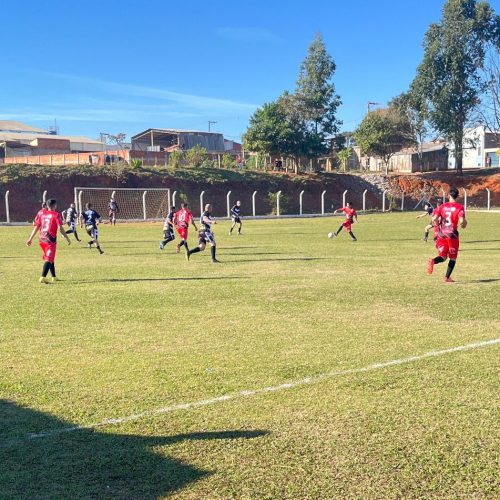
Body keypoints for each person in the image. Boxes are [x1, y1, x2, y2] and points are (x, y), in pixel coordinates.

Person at [427, 187, 467, 283]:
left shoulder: (442, 206)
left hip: (441, 234)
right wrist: (464, 223)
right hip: (452, 235)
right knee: (452, 258)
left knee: (443, 257)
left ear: (448, 195)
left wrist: (437, 224)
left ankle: (432, 261)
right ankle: (447, 277)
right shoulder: (459, 207)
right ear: (457, 196)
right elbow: (462, 222)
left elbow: (434, 219)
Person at [26, 198, 71, 284]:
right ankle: (42, 277)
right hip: (50, 241)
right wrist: (67, 238)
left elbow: (36, 226)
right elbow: (60, 228)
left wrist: (30, 238)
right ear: (55, 206)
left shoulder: (42, 214)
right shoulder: (56, 215)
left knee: (51, 258)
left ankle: (54, 277)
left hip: (42, 240)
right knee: (49, 259)